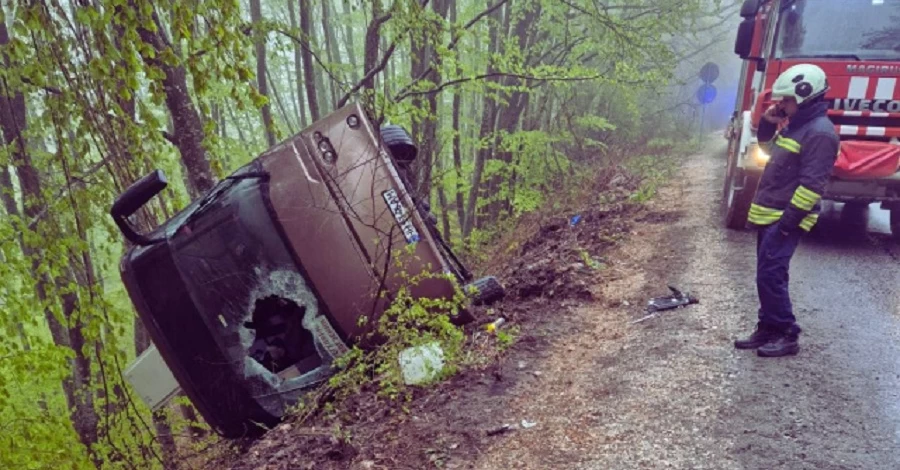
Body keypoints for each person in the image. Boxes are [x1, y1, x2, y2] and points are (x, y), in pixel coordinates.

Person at [734, 64, 839, 357]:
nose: (781, 104)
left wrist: (787, 223)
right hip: (771, 213)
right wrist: (768, 123)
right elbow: (770, 152)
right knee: (767, 274)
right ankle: (767, 327)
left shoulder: (820, 134)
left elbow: (812, 186)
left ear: (806, 97)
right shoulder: (796, 126)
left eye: (786, 100)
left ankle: (786, 333)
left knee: (771, 274)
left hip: (784, 217)